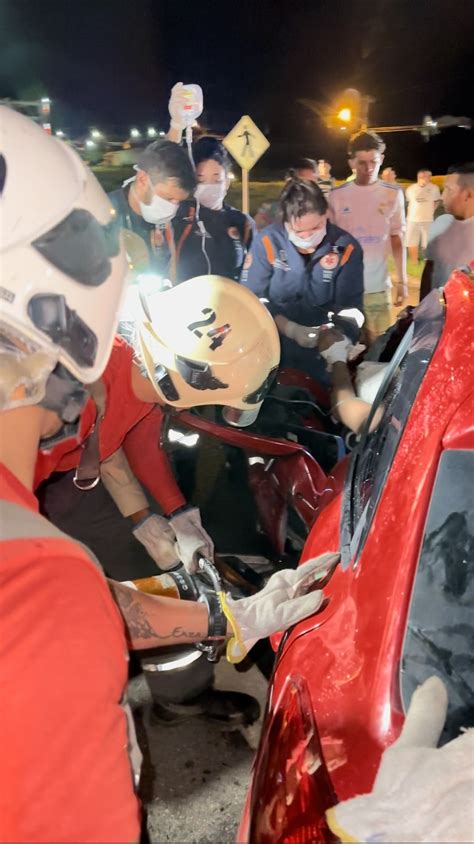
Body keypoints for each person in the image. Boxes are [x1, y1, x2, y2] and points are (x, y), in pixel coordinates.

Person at [0, 107, 335, 842]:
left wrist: (175, 522)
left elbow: (128, 443)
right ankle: (177, 692)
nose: (58, 400)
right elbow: (65, 599)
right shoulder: (35, 567)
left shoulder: (95, 393)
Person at [242, 178, 363, 383]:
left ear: (326, 215)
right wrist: (288, 328)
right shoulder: (267, 242)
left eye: (315, 228)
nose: (307, 237)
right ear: (285, 221)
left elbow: (352, 308)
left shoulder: (345, 248)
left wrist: (340, 337)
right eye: (298, 231)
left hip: (323, 352)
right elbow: (251, 299)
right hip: (270, 347)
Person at [329, 131, 407, 340]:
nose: (368, 168)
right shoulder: (337, 196)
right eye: (361, 163)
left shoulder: (393, 194)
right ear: (351, 162)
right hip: (345, 290)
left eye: (373, 161)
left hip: (378, 289)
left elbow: (396, 238)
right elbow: (329, 245)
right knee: (345, 349)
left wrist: (402, 281)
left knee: (378, 350)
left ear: (381, 159)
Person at [420, 163, 474, 300]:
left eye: (449, 190)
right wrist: (421, 310)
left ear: (467, 194)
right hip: (436, 317)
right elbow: (429, 272)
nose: (443, 197)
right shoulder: (440, 224)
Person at [254, 157, 318, 231]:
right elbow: (261, 237)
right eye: (300, 182)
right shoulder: (270, 211)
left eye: (310, 183)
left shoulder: (324, 212)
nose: (304, 188)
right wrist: (271, 243)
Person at [405, 169, 442, 262]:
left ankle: (427, 260)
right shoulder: (411, 188)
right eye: (425, 176)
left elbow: (437, 200)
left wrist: (432, 209)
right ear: (419, 177)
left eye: (429, 176)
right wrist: (421, 188)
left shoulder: (434, 188)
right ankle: (414, 261)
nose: (428, 178)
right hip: (412, 219)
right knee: (412, 241)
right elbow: (410, 201)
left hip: (428, 219)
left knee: (427, 241)